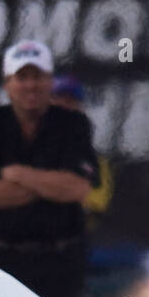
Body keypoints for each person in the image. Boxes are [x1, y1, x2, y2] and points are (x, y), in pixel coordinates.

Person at [0, 40, 100, 297]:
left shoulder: (73, 124)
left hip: (61, 265)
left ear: (50, 81)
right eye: (22, 77)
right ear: (7, 83)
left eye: (37, 76)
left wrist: (17, 174)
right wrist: (50, 184)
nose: (30, 85)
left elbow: (78, 188)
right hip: (2, 265)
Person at [51, 75, 113, 234]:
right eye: (57, 98)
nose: (64, 106)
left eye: (70, 101)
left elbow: (93, 210)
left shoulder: (94, 161)